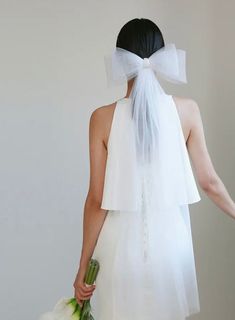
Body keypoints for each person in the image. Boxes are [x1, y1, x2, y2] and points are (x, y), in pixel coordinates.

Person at [73, 18, 235, 320]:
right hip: (172, 249)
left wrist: (83, 265)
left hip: (118, 252)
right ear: (161, 57)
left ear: (121, 59)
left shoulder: (101, 119)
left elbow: (96, 199)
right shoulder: (187, 110)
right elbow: (209, 182)